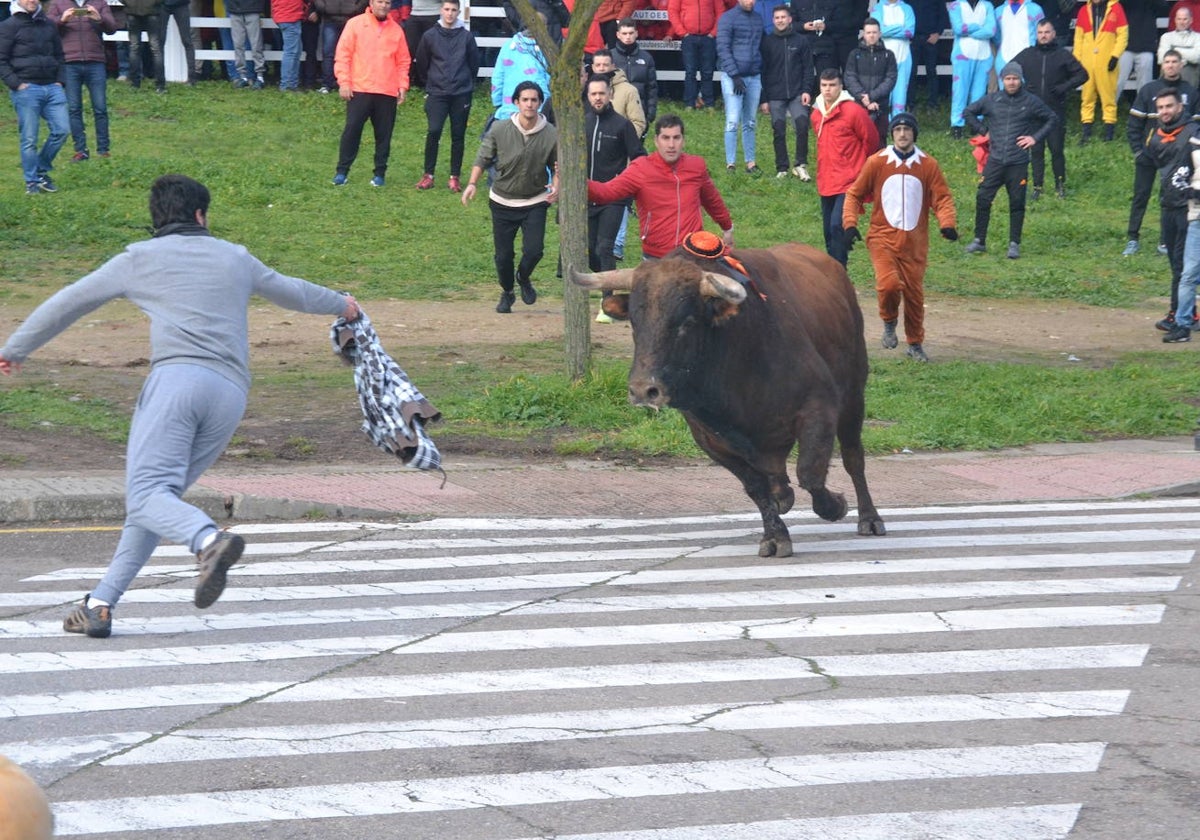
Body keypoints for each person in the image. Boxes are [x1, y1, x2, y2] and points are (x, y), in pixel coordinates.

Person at [0, 174, 362, 639]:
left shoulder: (138, 259)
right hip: (230, 394)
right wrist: (343, 304)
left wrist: (15, 348)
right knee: (155, 501)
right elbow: (291, 290)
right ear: (199, 215)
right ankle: (99, 603)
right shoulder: (235, 256)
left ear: (157, 219)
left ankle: (209, 540)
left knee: (147, 495)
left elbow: (70, 302)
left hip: (176, 384)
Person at [843, 112, 957, 363]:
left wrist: (947, 223)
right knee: (888, 285)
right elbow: (854, 194)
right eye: (897, 130)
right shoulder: (877, 162)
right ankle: (888, 320)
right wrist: (850, 224)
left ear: (914, 133)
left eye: (907, 129)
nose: (902, 134)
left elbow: (942, 198)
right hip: (882, 237)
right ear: (892, 134)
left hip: (915, 243)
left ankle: (915, 344)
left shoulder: (928, 165)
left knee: (915, 296)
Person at [462, 81, 559, 314]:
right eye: (525, 99)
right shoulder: (499, 129)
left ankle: (523, 277)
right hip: (502, 200)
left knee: (534, 250)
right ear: (516, 102)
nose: (529, 104)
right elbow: (483, 157)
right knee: (503, 256)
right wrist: (472, 184)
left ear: (539, 103)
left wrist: (557, 186)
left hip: (535, 200)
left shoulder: (551, 133)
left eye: (534, 100)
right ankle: (507, 291)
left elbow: (558, 166)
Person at [586, 114, 734, 259]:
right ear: (656, 141)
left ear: (683, 141)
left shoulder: (696, 166)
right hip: (656, 257)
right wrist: (573, 182)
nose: (671, 145)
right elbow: (606, 192)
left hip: (691, 254)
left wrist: (727, 227)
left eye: (676, 138)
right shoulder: (641, 168)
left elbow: (712, 200)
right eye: (665, 138)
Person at [963, 61, 1057, 259]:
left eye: (1015, 78)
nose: (1012, 82)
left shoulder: (1031, 101)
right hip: (995, 160)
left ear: (1020, 79)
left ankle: (1014, 243)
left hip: (1018, 161)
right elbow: (968, 112)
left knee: (1017, 202)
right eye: (1008, 78)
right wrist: (983, 131)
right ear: (1002, 80)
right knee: (983, 198)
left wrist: (1035, 138)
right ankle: (979, 240)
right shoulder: (992, 99)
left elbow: (1051, 118)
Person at [1124, 49, 1200, 256]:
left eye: (1175, 61)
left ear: (1181, 65)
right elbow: (1134, 124)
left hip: (1177, 158)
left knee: (1171, 197)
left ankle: (1165, 242)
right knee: (1141, 195)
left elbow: (1196, 128)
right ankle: (1132, 238)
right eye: (1167, 61)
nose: (1171, 65)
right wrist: (1139, 151)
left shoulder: (1191, 92)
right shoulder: (1149, 89)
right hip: (1149, 154)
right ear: (1161, 64)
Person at [582, 74, 644, 321]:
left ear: (610, 95)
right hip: (586, 197)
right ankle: (610, 282)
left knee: (605, 246)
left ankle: (607, 303)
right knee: (590, 250)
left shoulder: (622, 125)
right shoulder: (582, 122)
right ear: (588, 96)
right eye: (593, 94)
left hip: (614, 198)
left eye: (601, 93)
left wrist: (627, 182)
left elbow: (639, 156)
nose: (598, 98)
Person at [331, 0, 411, 188]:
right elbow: (343, 55)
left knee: (384, 135)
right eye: (380, 1)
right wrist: (344, 82)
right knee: (351, 131)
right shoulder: (355, 24)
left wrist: (402, 85)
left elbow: (403, 61)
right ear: (371, 3)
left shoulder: (397, 30)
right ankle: (342, 172)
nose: (383, 5)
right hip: (360, 88)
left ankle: (379, 174)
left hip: (386, 90)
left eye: (387, 2)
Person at [1142, 87, 1198, 332]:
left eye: (1169, 106)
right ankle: (1189, 312)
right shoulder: (1155, 137)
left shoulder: (1193, 133)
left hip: (1189, 209)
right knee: (1176, 264)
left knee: (1182, 265)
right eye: (1160, 108)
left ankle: (1179, 314)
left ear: (1180, 107)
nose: (1164, 111)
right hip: (1167, 206)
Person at [0, 0, 69, 195]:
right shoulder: (8, 26)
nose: (32, 0)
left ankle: (40, 168)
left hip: (52, 87)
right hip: (26, 89)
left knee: (62, 130)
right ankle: (31, 182)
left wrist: (60, 81)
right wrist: (16, 84)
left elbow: (60, 55)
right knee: (29, 138)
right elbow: (1, 60)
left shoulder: (48, 24)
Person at [1013, 18, 1088, 199]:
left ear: (1053, 34)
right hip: (1033, 113)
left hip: (1055, 111)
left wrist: (1064, 87)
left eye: (1047, 32)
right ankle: (1037, 188)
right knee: (1036, 151)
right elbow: (1009, 70)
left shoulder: (1062, 54)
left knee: (1056, 150)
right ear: (1036, 35)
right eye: (1040, 33)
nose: (1043, 36)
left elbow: (1083, 75)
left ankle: (1060, 186)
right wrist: (1022, 88)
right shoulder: (1027, 54)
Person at [810, 67, 878, 266]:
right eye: (824, 85)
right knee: (828, 232)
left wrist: (859, 169)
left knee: (836, 227)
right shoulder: (816, 114)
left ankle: (839, 274)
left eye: (832, 85)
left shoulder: (854, 111)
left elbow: (871, 140)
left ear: (841, 87)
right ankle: (835, 273)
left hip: (849, 180)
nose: (828, 89)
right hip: (826, 179)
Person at [414, 0, 479, 192]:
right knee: (434, 131)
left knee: (458, 135)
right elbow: (422, 63)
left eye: (453, 10)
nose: (450, 13)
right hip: (437, 92)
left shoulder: (466, 37)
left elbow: (473, 63)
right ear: (441, 10)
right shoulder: (430, 36)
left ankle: (454, 176)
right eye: (446, 9)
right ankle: (428, 174)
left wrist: (465, 82)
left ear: (458, 12)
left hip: (461, 93)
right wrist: (431, 82)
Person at [47, 0, 116, 162]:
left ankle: (103, 150)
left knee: (100, 108)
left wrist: (99, 18)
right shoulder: (58, 2)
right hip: (70, 62)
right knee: (74, 109)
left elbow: (112, 28)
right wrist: (62, 20)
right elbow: (47, 28)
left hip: (95, 61)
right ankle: (80, 150)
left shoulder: (99, 2)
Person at [759, 3, 813, 180]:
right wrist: (764, 99)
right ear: (773, 20)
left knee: (803, 124)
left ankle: (800, 164)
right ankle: (782, 167)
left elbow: (808, 68)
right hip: (775, 94)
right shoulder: (766, 42)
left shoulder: (801, 41)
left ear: (790, 19)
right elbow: (763, 71)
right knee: (778, 129)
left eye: (783, 17)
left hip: (798, 93)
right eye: (777, 18)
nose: (780, 20)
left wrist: (806, 90)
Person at [716, 0, 763, 173]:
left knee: (750, 121)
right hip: (732, 77)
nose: (750, 1)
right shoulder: (727, 18)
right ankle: (731, 163)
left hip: (754, 76)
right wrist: (734, 74)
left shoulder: (758, 18)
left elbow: (760, 47)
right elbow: (723, 48)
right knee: (732, 121)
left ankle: (750, 162)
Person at [1074, 0, 1129, 143]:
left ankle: (1109, 133)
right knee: (1086, 98)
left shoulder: (1116, 8)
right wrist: (1076, 61)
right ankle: (1086, 133)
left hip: (1107, 63)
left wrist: (1115, 56)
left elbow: (1123, 35)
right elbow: (1078, 39)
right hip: (1087, 64)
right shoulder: (1083, 10)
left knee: (1109, 98)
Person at [1163, 130, 1200, 341]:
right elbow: (1179, 175)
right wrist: (1190, 193)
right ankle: (1183, 325)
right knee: (1188, 275)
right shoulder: (1194, 140)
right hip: (1196, 217)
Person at [844, 17, 898, 146]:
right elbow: (849, 77)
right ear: (864, 34)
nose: (872, 35)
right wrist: (863, 97)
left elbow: (890, 79)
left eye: (874, 32)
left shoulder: (888, 55)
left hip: (881, 106)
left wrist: (872, 97)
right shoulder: (854, 54)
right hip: (859, 105)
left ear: (880, 34)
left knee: (880, 141)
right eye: (868, 32)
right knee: (859, 141)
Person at [948, 0, 996, 138]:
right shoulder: (955, 5)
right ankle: (957, 125)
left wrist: (970, 31)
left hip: (984, 54)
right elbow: (958, 28)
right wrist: (979, 27)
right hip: (963, 53)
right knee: (959, 91)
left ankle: (976, 124)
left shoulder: (987, 5)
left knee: (979, 92)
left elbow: (991, 30)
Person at [668, 0, 723, 109]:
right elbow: (673, 12)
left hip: (708, 37)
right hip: (689, 38)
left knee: (708, 72)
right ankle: (689, 103)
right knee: (690, 72)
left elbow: (720, 11)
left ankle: (709, 103)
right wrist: (682, 32)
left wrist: (713, 33)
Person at [490, 22, 550, 122]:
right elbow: (550, 78)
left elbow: (498, 77)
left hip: (509, 108)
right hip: (538, 106)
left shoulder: (508, 46)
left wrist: (497, 102)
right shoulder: (546, 49)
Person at [612, 17, 657, 133]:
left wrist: (651, 113)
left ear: (636, 34)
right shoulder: (609, 58)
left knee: (637, 150)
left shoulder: (647, 58)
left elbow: (652, 88)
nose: (628, 37)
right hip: (615, 112)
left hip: (638, 113)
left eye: (631, 33)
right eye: (624, 33)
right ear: (618, 35)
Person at [312, 0, 366, 94]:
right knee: (328, 54)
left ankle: (350, 84)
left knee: (352, 54)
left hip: (351, 20)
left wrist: (356, 9)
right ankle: (327, 84)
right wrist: (324, 8)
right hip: (330, 20)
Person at [590, 48, 646, 137]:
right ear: (593, 67)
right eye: (598, 65)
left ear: (613, 66)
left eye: (605, 65)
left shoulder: (629, 91)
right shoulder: (586, 91)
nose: (601, 68)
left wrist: (624, 143)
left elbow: (638, 123)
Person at [907, 0, 948, 109]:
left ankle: (932, 103)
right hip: (913, 38)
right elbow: (904, 12)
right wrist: (908, 34)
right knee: (911, 72)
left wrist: (938, 33)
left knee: (931, 72)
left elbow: (943, 15)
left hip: (931, 38)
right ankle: (910, 103)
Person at [877, 0, 914, 117]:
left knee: (901, 91)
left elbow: (909, 32)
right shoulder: (877, 8)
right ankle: (883, 121)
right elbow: (878, 31)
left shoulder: (907, 8)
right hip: (883, 55)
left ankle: (898, 122)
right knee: (884, 89)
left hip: (904, 54)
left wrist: (887, 29)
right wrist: (900, 27)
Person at [1118, 0, 1160, 103]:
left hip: (1146, 45)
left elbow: (1162, 6)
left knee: (1145, 83)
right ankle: (1109, 109)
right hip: (1125, 44)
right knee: (1117, 80)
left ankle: (1144, 110)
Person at [123, 0, 166, 91]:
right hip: (152, 11)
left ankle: (135, 84)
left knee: (134, 48)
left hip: (132, 10)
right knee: (156, 49)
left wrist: (128, 3)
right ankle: (160, 85)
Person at [993, 0, 1044, 73]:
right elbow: (996, 36)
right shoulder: (998, 11)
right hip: (1003, 60)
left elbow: (1042, 33)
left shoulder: (1035, 9)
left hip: (1029, 59)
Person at [793, 0, 838, 77]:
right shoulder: (796, 1)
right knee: (803, 79)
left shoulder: (832, 1)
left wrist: (826, 26)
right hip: (804, 47)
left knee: (827, 79)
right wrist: (803, 26)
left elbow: (839, 23)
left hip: (826, 48)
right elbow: (791, 24)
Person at [1159, 6, 1200, 89]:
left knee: (1188, 69)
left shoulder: (1198, 37)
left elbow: (1197, 57)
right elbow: (1161, 58)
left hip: (1190, 73)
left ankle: (1187, 96)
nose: (1182, 22)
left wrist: (1175, 50)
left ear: (1191, 20)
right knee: (1169, 65)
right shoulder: (1166, 37)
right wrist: (1187, 55)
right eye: (1179, 19)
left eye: (1185, 19)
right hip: (1169, 71)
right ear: (1175, 20)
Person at [225, 0, 263, 87]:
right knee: (238, 44)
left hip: (252, 8)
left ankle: (259, 76)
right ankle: (243, 76)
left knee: (256, 44)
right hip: (235, 9)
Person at [158, 0, 195, 86]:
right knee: (160, 43)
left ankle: (192, 78)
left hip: (179, 4)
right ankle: (160, 78)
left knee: (187, 41)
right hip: (166, 4)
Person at [272, 0, 306, 91]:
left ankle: (291, 83)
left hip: (285, 15)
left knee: (295, 52)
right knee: (291, 53)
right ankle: (287, 85)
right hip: (290, 16)